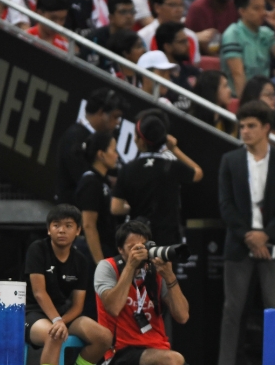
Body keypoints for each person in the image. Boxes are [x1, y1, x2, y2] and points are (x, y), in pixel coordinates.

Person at [95, 220, 225, 365]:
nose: (140, 252)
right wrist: (130, 267)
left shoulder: (154, 273)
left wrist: (169, 275)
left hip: (158, 355)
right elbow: (113, 307)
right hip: (120, 355)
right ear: (120, 250)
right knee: (174, 361)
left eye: (144, 247)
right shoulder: (108, 267)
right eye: (133, 248)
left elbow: (182, 316)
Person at [218, 101, 275, 365]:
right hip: (240, 243)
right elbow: (225, 206)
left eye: (251, 126)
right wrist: (250, 237)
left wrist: (266, 234)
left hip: (274, 243)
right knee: (232, 308)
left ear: (266, 128)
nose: (245, 131)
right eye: (242, 126)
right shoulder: (230, 160)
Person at [25, 204, 112, 365]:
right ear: (49, 230)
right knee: (54, 334)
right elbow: (38, 293)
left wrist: (61, 320)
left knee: (104, 336)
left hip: (63, 315)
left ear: (78, 231)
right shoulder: (37, 249)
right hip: (33, 313)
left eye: (68, 226)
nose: (61, 230)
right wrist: (57, 321)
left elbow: (78, 306)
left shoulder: (80, 260)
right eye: (56, 225)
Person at [111, 111, 203, 245]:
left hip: (139, 240)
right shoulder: (171, 166)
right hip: (168, 241)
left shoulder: (127, 169)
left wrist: (137, 207)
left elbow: (116, 208)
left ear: (141, 141)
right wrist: (174, 149)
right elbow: (198, 173)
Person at [54, 88, 125, 205]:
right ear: (101, 113)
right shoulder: (74, 138)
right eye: (115, 117)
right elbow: (84, 179)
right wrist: (108, 183)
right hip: (73, 214)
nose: (117, 123)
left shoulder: (97, 138)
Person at [221, 0, 275, 99]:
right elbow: (238, 75)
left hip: (264, 95)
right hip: (239, 97)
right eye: (256, 8)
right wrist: (246, 105)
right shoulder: (232, 34)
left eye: (263, 8)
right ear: (242, 11)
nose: (262, 13)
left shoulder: (265, 32)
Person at [74, 131, 120, 265]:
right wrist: (101, 263)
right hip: (92, 254)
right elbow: (88, 225)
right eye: (114, 150)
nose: (117, 155)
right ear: (101, 154)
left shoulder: (102, 181)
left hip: (106, 248)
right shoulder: (90, 183)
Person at [139, 0, 207, 65]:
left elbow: (194, 67)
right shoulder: (143, 36)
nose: (179, 10)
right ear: (157, 7)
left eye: (181, 5)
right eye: (172, 5)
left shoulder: (190, 36)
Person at [82, 0, 135, 69]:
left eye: (132, 12)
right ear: (111, 17)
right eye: (123, 12)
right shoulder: (94, 40)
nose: (129, 16)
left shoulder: (136, 40)